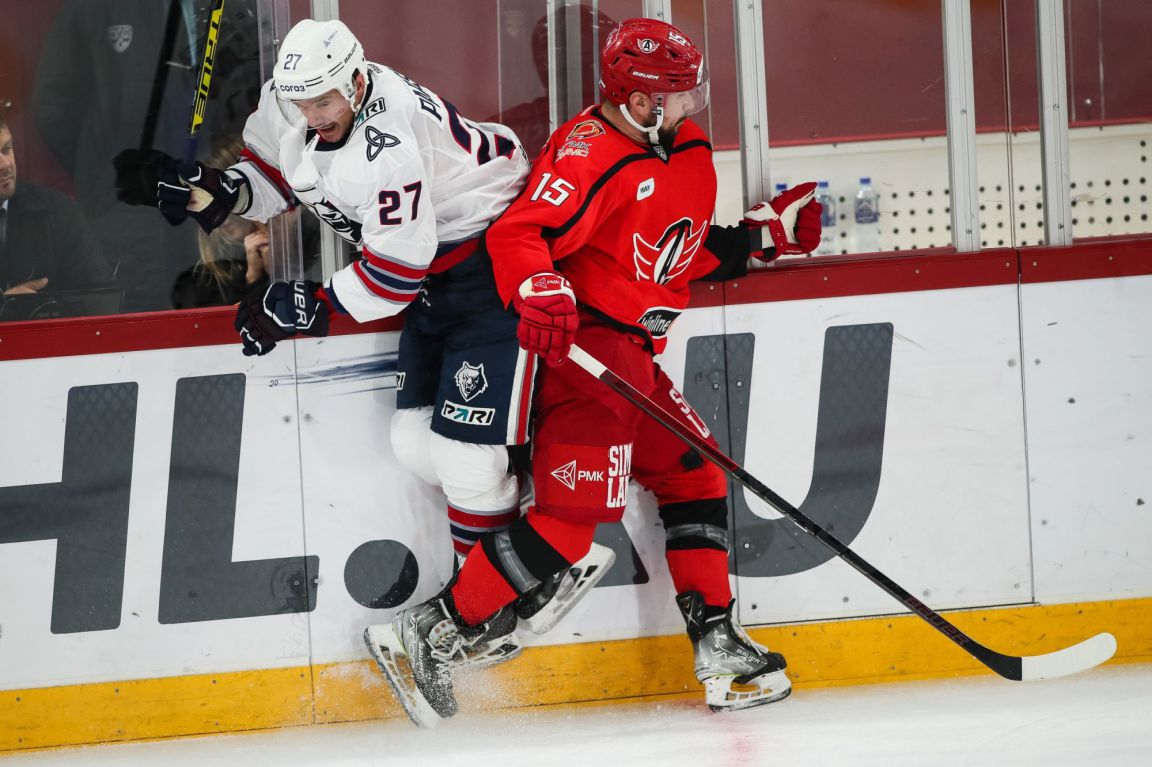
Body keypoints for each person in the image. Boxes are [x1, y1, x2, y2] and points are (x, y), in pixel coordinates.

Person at [370, 18, 823, 727]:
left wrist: (756, 240)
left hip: (636, 358)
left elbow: (668, 248)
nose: (692, 104)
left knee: (695, 472)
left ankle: (719, 644)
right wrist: (538, 288)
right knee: (568, 527)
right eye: (678, 93)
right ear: (640, 101)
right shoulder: (587, 154)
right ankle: (426, 631)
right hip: (584, 356)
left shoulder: (683, 144)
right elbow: (519, 232)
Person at [149, 19, 614, 669]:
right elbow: (278, 168)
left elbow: (394, 276)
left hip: (490, 259)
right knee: (413, 440)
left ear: (357, 80)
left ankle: (484, 611)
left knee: (466, 456)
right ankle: (535, 552)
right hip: (439, 272)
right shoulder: (294, 100)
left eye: (325, 101)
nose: (313, 115)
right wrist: (224, 189)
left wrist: (308, 307)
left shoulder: (387, 144)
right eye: (302, 102)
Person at [33, 0, 263, 311]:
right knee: (142, 318)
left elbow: (256, 82)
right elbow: (54, 106)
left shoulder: (231, 4)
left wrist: (233, 165)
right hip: (132, 207)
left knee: (222, 310)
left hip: (218, 193)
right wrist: (105, 173)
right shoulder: (96, 8)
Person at [0, 116, 114, 307]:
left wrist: (47, 307)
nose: (5, 164)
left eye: (6, 149)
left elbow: (99, 294)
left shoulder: (55, 210)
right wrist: (5, 307)